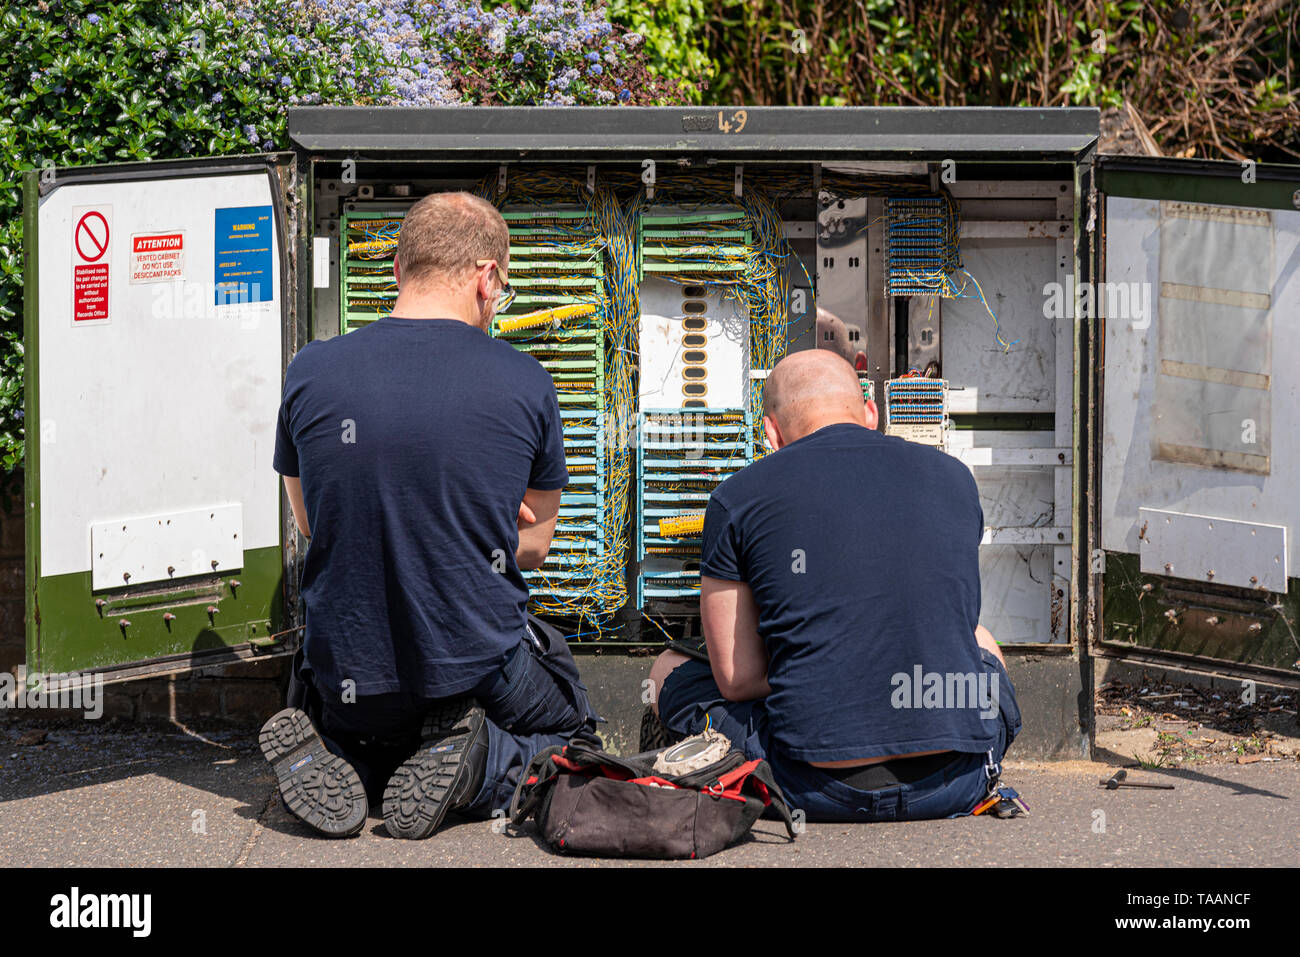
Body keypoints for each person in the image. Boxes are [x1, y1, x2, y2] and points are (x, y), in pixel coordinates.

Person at [262, 191, 599, 839]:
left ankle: (345, 763)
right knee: (570, 730)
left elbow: (311, 525)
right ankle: (481, 764)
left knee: (366, 728)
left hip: (352, 680)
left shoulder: (310, 370)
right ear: (488, 277)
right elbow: (534, 546)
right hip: (473, 662)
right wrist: (484, 517)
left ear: (397, 271)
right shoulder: (524, 380)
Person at [645, 349, 1021, 822]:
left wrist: (807, 662)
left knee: (667, 669)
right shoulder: (954, 478)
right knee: (983, 641)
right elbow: (949, 622)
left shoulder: (738, 496)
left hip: (810, 789)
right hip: (953, 782)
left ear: (771, 431)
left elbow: (737, 680)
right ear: (870, 412)